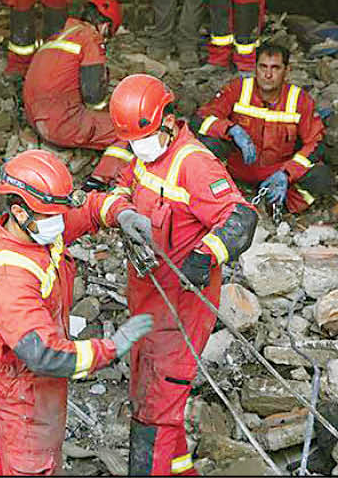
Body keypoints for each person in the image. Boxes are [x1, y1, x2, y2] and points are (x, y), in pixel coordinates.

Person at [106, 74, 258, 475]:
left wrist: (205, 256)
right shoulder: (144, 153)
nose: (137, 147)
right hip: (147, 299)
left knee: (155, 410)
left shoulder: (194, 163)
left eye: (143, 138)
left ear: (169, 121)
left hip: (181, 306)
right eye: (132, 141)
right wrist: (123, 212)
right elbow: (122, 183)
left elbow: (241, 217)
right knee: (151, 398)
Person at [0, 149, 158, 476]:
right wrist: (111, 348)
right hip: (24, 391)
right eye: (52, 215)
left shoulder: (37, 229)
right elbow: (45, 355)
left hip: (42, 383)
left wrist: (122, 214)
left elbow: (88, 209)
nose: (59, 222)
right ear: (19, 211)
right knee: (31, 465)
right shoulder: (10, 279)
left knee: (46, 454)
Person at [195, 41, 336, 215]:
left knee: (321, 177)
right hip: (235, 169)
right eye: (263, 67)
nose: (268, 75)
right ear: (255, 68)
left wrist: (287, 173)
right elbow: (201, 119)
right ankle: (216, 197)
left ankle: (281, 207)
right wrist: (230, 129)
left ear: (287, 70)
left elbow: (316, 142)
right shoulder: (238, 89)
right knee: (207, 146)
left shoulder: (299, 100)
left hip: (276, 174)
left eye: (275, 68)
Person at [23, 0, 122, 151]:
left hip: (36, 121)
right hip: (61, 126)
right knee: (129, 130)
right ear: (105, 26)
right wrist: (110, 111)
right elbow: (93, 96)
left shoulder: (56, 38)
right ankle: (107, 168)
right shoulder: (90, 38)